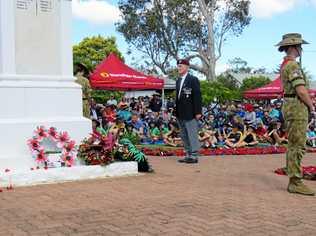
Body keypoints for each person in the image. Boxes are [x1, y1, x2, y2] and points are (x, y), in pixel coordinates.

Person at [277, 33, 315, 195]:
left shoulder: (286, 64)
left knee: (293, 144)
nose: (301, 49)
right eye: (299, 46)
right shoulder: (292, 66)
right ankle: (295, 181)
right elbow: (301, 90)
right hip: (296, 107)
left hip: (291, 106)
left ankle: (294, 176)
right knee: (297, 145)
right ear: (293, 47)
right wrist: (311, 107)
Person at [175, 59, 202, 164]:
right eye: (178, 66)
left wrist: (198, 111)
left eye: (181, 66)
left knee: (191, 134)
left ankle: (194, 155)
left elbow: (197, 96)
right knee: (184, 135)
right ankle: (188, 154)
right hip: (180, 112)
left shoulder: (193, 79)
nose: (179, 68)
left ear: (187, 67)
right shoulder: (178, 80)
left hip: (190, 112)